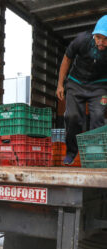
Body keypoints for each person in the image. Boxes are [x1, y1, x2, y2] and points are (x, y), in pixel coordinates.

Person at [56, 15, 107, 165]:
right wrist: (60, 84)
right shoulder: (82, 40)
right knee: (72, 116)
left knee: (98, 116)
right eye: (98, 38)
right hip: (76, 83)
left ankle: (95, 156)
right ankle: (71, 152)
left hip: (99, 86)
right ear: (94, 35)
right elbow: (67, 59)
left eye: (105, 39)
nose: (101, 42)